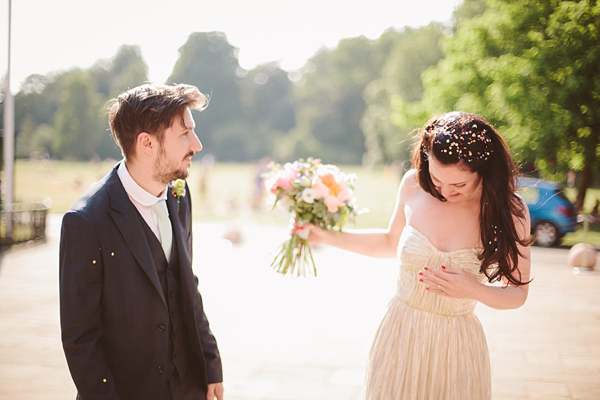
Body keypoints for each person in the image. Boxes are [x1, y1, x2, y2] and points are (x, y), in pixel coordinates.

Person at [307, 111, 532, 399]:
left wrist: (473, 289)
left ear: (484, 170)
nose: (446, 191)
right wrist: (328, 236)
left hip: (457, 346)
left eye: (459, 185)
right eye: (438, 180)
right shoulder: (413, 184)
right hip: (399, 333)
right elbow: (389, 243)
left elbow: (517, 294)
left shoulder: (508, 210)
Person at [59, 84, 224, 400]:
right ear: (146, 143)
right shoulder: (86, 221)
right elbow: (81, 338)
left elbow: (187, 283)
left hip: (189, 387)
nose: (197, 145)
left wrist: (210, 362)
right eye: (185, 134)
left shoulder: (180, 195)